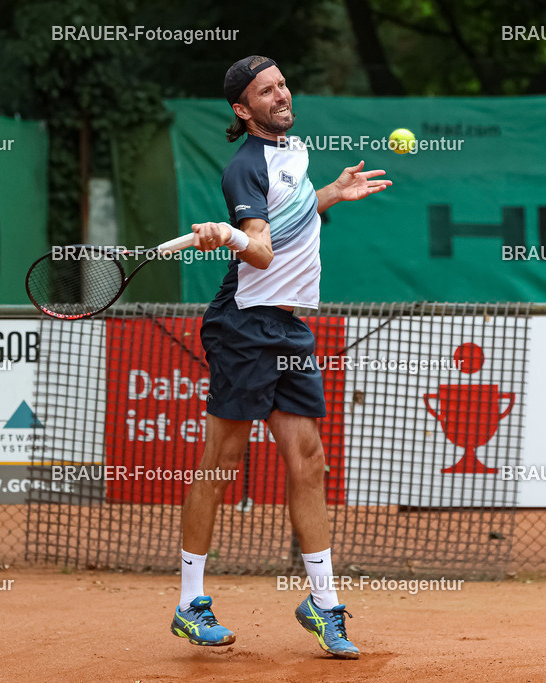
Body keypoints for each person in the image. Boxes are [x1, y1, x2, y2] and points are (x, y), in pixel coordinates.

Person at [169, 55, 391, 660]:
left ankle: (322, 605)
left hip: (290, 326)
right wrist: (234, 235)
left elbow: (282, 226)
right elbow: (261, 253)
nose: (280, 94)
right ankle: (190, 605)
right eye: (266, 91)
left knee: (308, 459)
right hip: (244, 326)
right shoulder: (244, 166)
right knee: (223, 461)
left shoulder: (292, 153)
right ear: (243, 110)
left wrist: (328, 197)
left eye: (283, 84)